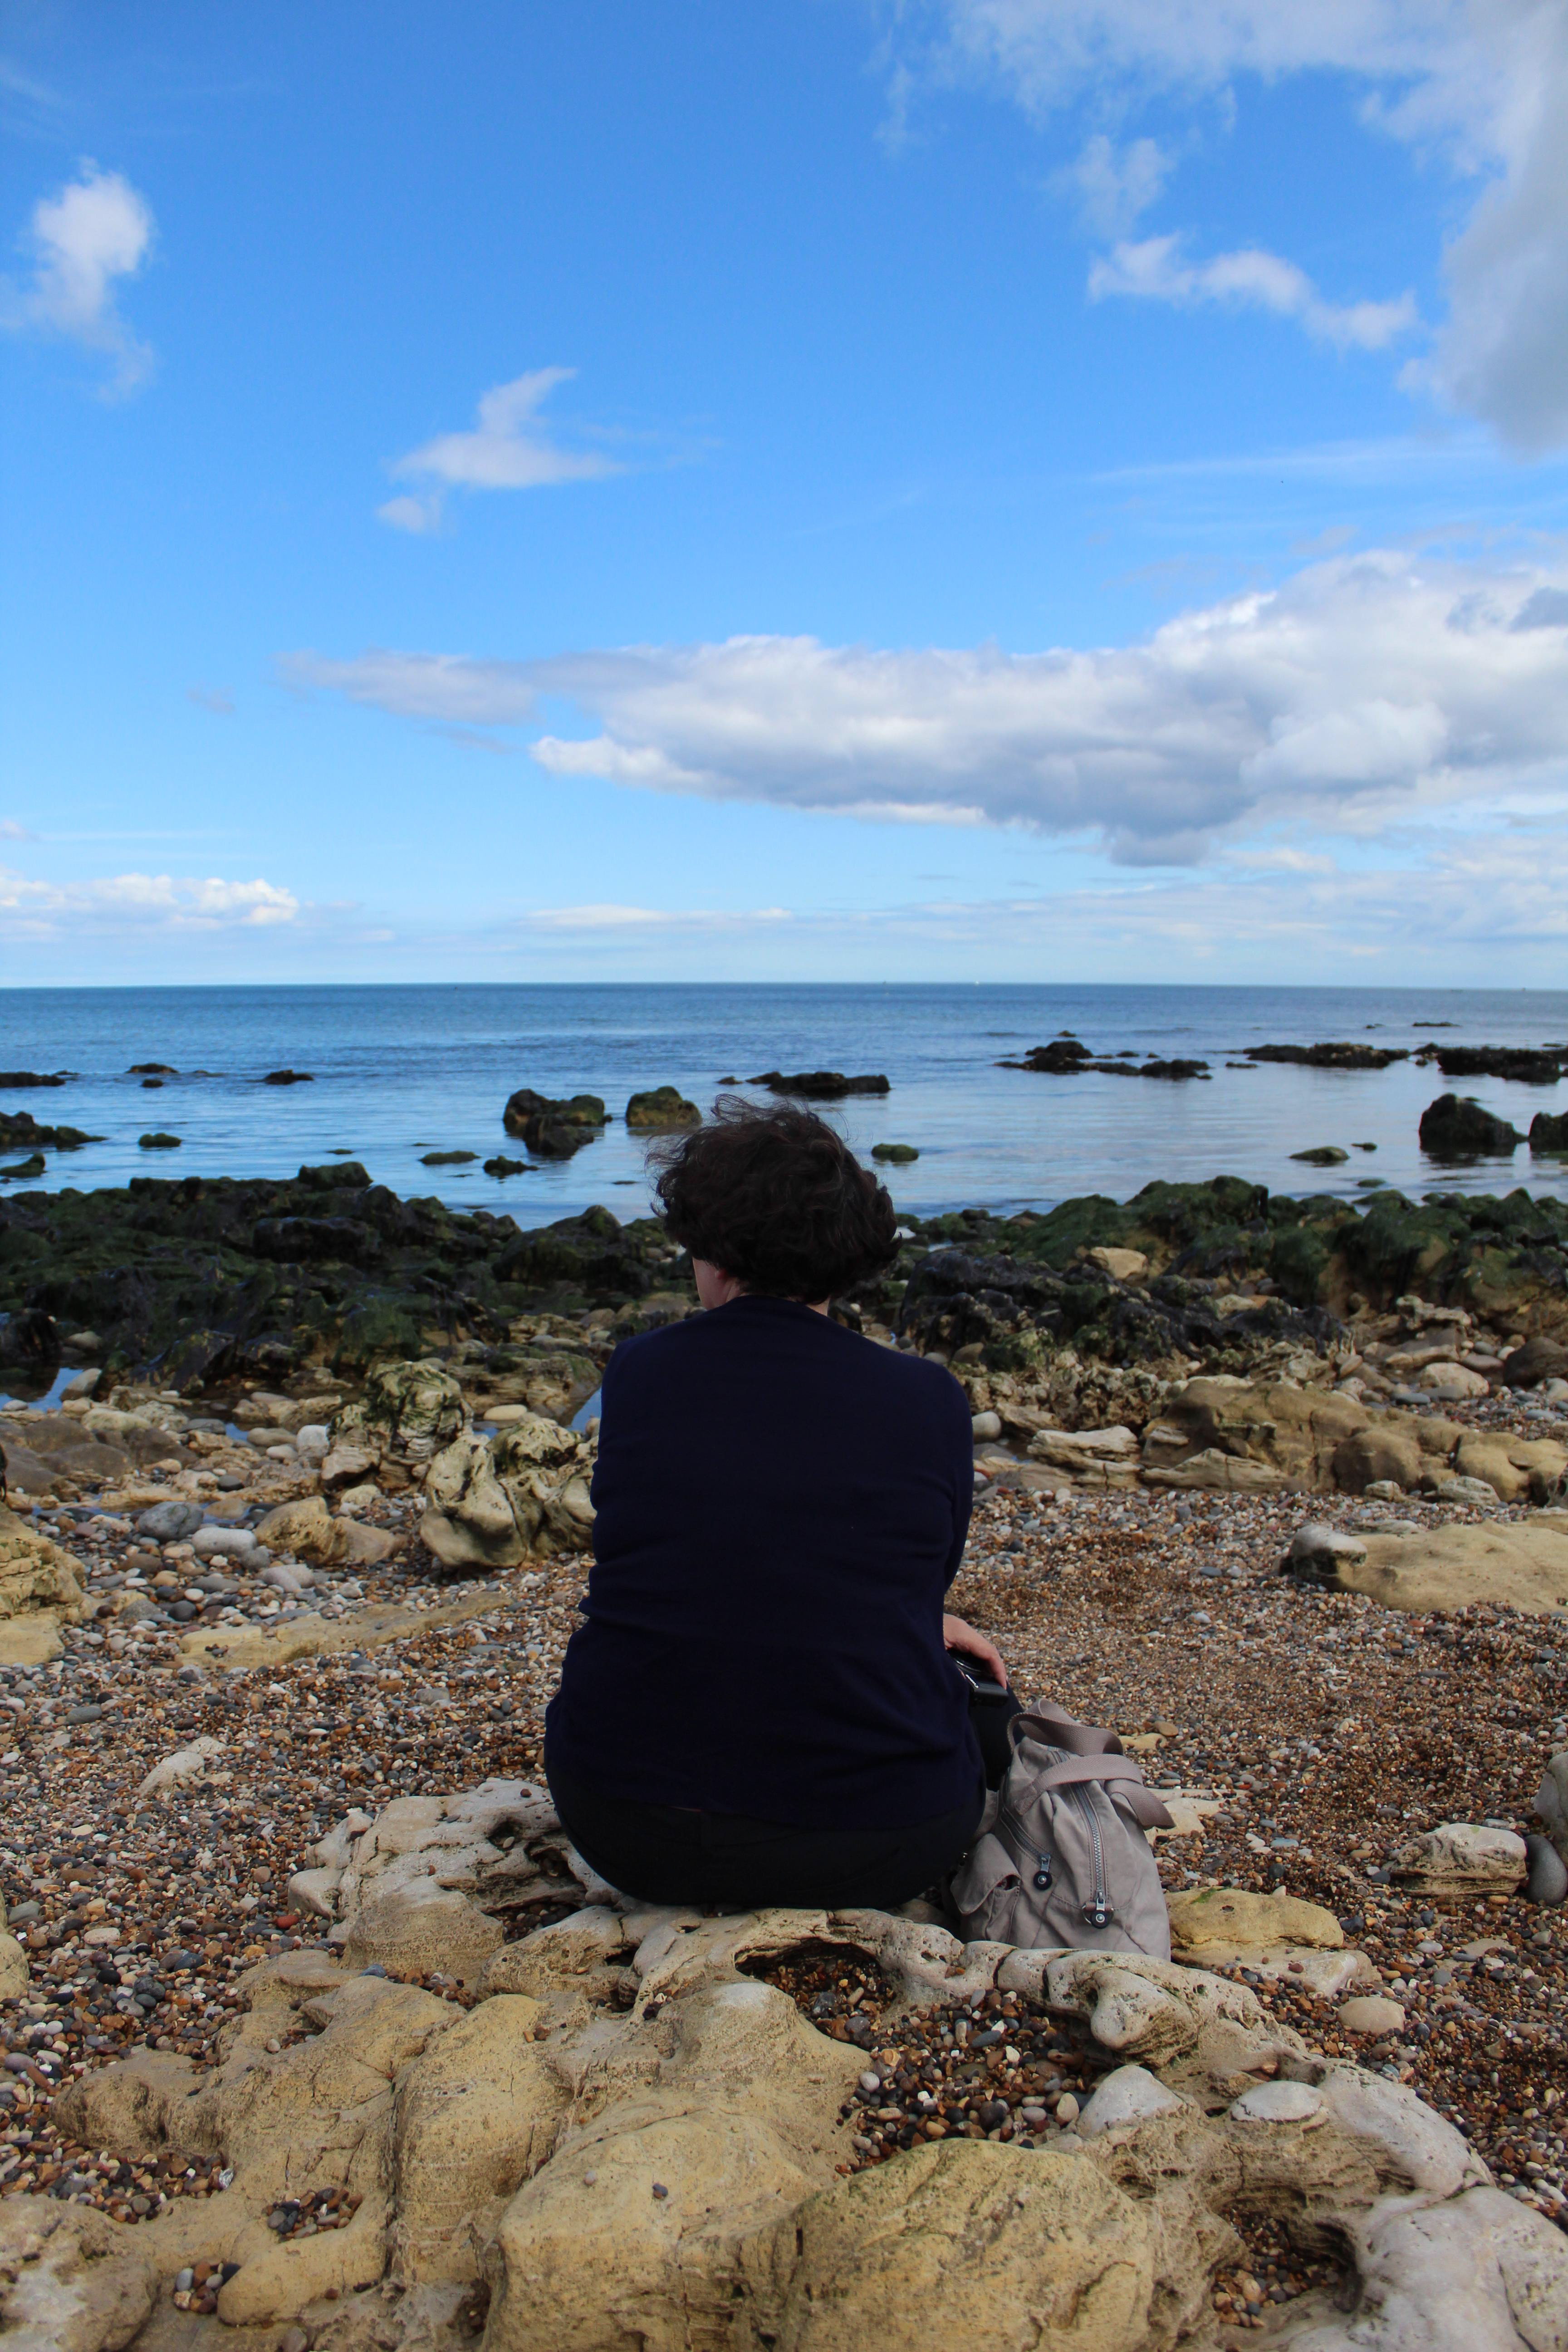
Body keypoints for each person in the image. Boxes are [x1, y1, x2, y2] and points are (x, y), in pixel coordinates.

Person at [544, 1097, 1018, 1910]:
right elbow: (920, 1566)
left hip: (627, 1823)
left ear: (712, 1250)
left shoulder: (641, 1373)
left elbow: (677, 1540)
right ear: (849, 1252)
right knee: (982, 1713)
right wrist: (908, 1619)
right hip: (876, 1837)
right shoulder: (927, 1398)